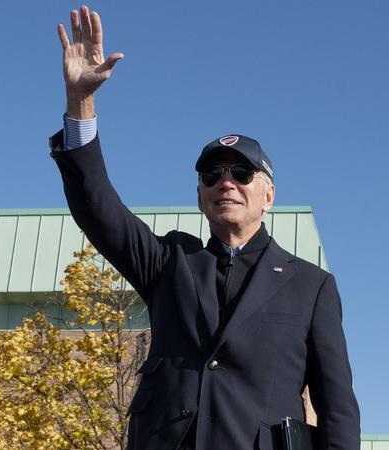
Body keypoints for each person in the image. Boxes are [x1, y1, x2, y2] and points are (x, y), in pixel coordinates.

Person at [49, 6, 360, 450]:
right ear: (200, 197)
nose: (225, 182)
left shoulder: (311, 286)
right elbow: (98, 208)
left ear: (268, 195)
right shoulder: (170, 263)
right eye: (211, 176)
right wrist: (81, 103)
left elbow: (337, 408)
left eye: (241, 173)